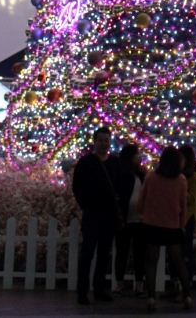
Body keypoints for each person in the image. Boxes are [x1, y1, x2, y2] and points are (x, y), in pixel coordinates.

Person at [137, 146, 192, 312]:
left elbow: (142, 200)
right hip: (172, 226)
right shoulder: (181, 180)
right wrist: (181, 224)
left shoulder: (151, 176)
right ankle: (187, 295)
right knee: (178, 261)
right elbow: (183, 204)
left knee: (151, 262)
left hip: (152, 224)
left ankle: (151, 297)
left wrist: (145, 213)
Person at [72, 126, 120, 305]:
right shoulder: (86, 162)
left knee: (104, 253)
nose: (103, 143)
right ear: (94, 141)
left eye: (106, 140)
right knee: (88, 252)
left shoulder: (115, 162)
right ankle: (82, 291)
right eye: (100, 140)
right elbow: (77, 187)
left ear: (110, 141)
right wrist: (86, 205)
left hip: (109, 215)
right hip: (92, 213)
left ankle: (99, 288)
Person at [113, 143, 147, 296]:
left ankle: (139, 284)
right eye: (136, 154)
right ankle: (119, 284)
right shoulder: (121, 175)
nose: (139, 157)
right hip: (125, 219)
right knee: (122, 251)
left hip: (140, 220)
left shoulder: (142, 175)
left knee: (140, 252)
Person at [178, 144, 196, 286]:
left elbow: (192, 198)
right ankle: (175, 284)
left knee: (186, 252)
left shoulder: (195, 176)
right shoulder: (179, 175)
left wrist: (178, 191)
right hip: (176, 217)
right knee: (175, 253)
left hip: (188, 218)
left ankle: (186, 284)